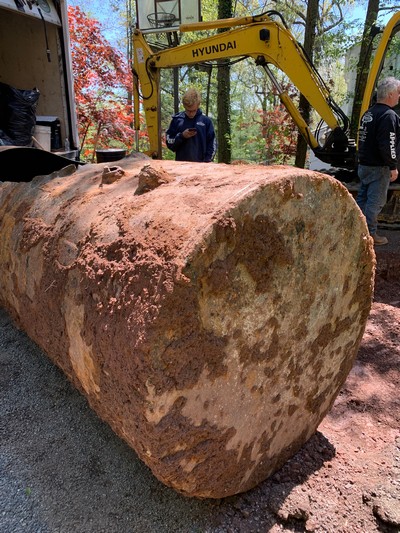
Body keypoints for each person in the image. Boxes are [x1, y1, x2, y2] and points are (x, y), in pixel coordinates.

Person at [356, 76, 400, 245]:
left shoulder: (369, 114)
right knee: (375, 203)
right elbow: (387, 144)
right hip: (378, 167)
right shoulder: (388, 116)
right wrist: (392, 166)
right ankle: (369, 235)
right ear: (389, 94)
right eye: (397, 93)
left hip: (364, 164)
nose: (399, 96)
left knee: (362, 199)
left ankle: (357, 229)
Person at [166, 88, 216, 162]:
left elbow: (212, 144)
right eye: (188, 110)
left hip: (202, 166)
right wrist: (182, 136)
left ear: (198, 105)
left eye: (194, 110)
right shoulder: (177, 120)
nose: (191, 113)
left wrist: (207, 161)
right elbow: (169, 143)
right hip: (181, 166)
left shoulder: (206, 121)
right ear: (184, 106)